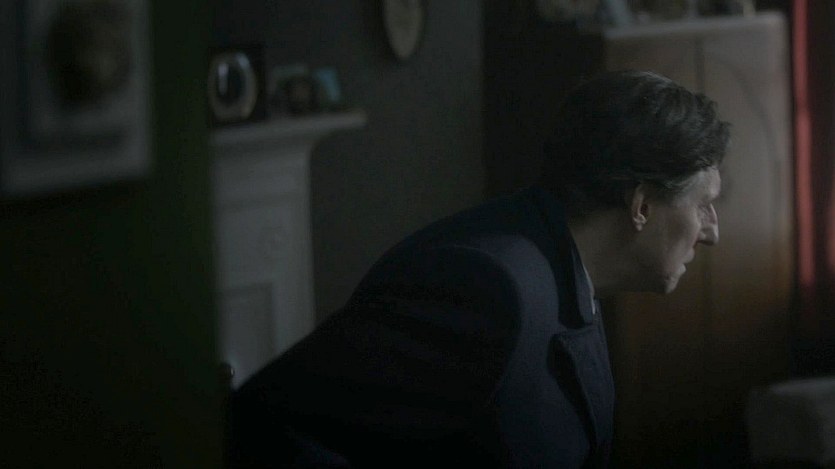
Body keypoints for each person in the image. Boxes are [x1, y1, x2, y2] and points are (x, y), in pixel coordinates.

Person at [227, 70, 729, 468]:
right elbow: (264, 424)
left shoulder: (572, 273)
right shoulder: (485, 287)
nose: (711, 231)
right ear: (641, 206)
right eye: (703, 204)